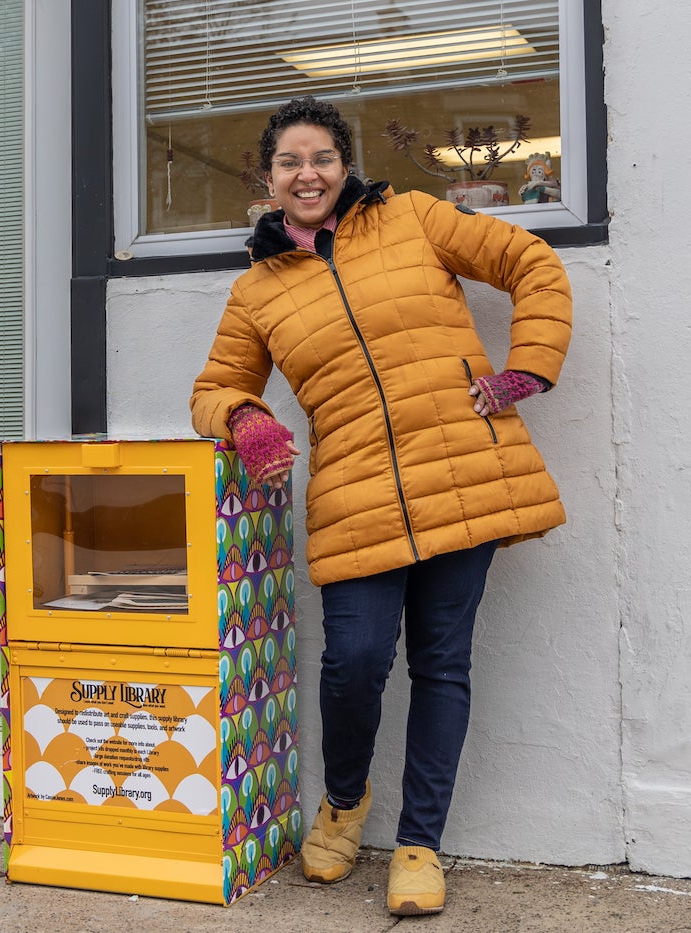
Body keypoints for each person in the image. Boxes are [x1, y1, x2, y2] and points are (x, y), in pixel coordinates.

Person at [189, 96, 572, 917]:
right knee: (353, 661)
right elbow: (214, 388)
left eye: (322, 157)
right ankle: (343, 802)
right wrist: (247, 418)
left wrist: (526, 368)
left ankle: (419, 844)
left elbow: (531, 263)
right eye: (291, 162)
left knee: (441, 661)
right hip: (355, 492)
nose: (309, 174)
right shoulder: (256, 290)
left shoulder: (415, 218)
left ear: (344, 165)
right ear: (269, 179)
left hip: (464, 472)